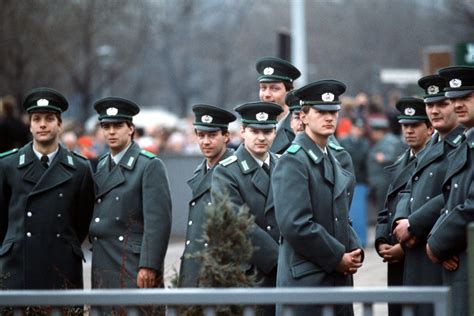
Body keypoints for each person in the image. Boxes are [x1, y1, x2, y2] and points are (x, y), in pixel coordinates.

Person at [273, 80, 363, 316]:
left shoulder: (330, 157)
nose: (329, 118)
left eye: (333, 112)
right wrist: (337, 257)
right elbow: (296, 224)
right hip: (307, 281)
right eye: (321, 112)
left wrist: (354, 249)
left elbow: (338, 215)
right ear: (303, 116)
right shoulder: (293, 160)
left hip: (334, 278)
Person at [0, 87, 94, 290]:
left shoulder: (80, 168)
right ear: (29, 125)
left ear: (60, 124)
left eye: (49, 118)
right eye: (36, 119)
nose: (42, 124)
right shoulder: (8, 164)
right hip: (18, 265)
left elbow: (82, 221)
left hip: (62, 265)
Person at [89, 97, 172, 313]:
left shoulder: (149, 166)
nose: (111, 132)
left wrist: (149, 265)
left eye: (118, 126)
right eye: (106, 126)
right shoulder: (101, 166)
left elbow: (158, 222)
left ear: (131, 129)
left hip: (133, 264)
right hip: (103, 261)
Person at [392, 74, 465, 316]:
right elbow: (408, 187)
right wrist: (401, 221)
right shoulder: (432, 145)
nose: (434, 110)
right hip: (416, 248)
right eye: (430, 104)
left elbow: (455, 195)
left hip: (438, 249)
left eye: (442, 104)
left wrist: (415, 224)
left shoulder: (462, 146)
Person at [212, 101, 282, 316]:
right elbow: (237, 222)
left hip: (287, 272)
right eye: (254, 131)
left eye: (268, 131)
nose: (261, 137)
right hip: (251, 271)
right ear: (242, 131)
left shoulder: (285, 165)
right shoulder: (226, 171)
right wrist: (279, 259)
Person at [375, 96, 433, 316]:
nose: (408, 131)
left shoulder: (434, 160)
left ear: (429, 129)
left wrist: (405, 247)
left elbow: (434, 209)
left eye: (415, 125)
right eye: (405, 126)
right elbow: (387, 205)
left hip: (419, 255)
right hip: (396, 253)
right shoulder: (401, 161)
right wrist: (381, 240)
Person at [427, 66, 474, 316]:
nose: (458, 105)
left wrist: (437, 243)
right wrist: (441, 242)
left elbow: (470, 205)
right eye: (454, 99)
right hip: (460, 258)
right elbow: (449, 202)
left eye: (465, 98)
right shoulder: (466, 143)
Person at [178, 104, 236, 287]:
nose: (206, 142)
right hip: (196, 266)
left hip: (221, 269)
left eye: (212, 135)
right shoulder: (201, 171)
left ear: (226, 136)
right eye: (201, 135)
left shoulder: (235, 169)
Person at [256, 56, 300, 154]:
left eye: (274, 88)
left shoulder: (300, 128)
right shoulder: (253, 127)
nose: (266, 94)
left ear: (289, 92)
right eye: (263, 88)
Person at [366, 116, 406, 223]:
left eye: (374, 131)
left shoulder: (389, 141)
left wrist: (382, 158)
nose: (372, 134)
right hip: (379, 182)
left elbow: (391, 158)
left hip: (385, 182)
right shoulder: (381, 141)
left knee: (384, 209)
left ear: (380, 131)